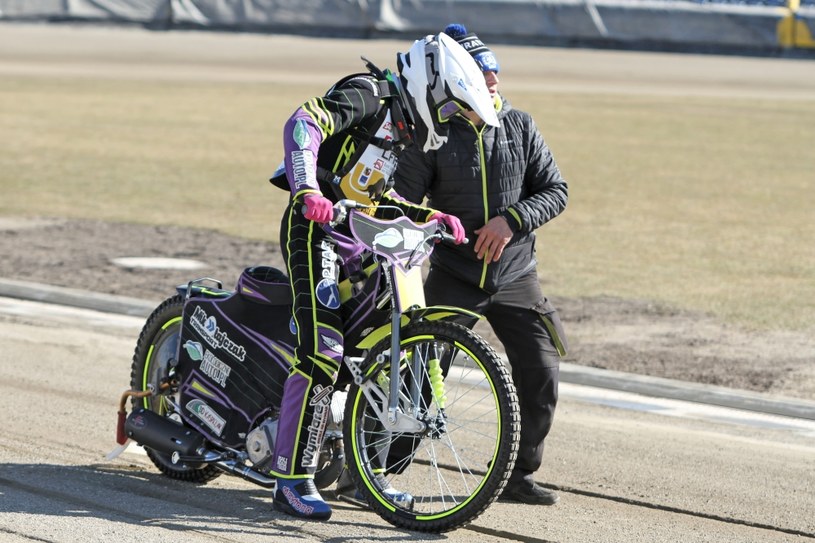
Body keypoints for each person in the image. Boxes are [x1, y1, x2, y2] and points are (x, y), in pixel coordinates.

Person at [268, 32, 499, 520]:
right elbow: (304, 122)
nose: (451, 119)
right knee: (323, 350)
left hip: (357, 234)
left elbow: (375, 198)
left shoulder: (407, 129)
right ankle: (290, 480)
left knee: (374, 348)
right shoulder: (369, 94)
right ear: (431, 87)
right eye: (452, 108)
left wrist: (427, 217)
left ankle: (365, 475)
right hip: (315, 231)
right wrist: (307, 188)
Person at [392, 23, 569, 506]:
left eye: (495, 72)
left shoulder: (521, 125)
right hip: (454, 276)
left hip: (517, 277)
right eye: (482, 73)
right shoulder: (434, 135)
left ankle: (517, 476)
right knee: (419, 377)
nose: (493, 80)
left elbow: (557, 191)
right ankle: (376, 469)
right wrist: (432, 226)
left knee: (541, 372)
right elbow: (400, 203)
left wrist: (511, 220)